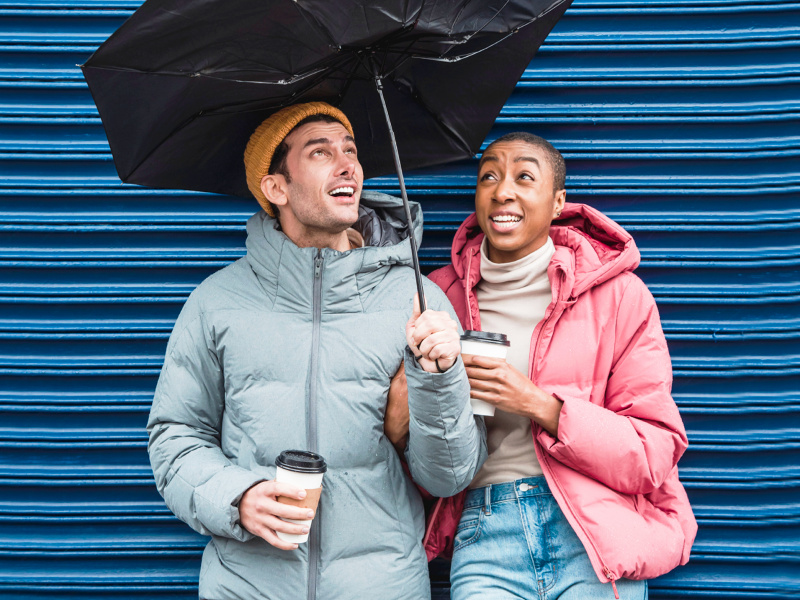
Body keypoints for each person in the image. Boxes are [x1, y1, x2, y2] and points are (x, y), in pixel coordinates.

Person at [147, 101, 487, 600]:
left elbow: (449, 477)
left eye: (350, 150)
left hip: (382, 585)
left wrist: (440, 379)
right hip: (247, 585)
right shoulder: (216, 302)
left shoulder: (416, 300)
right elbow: (174, 436)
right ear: (276, 188)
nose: (349, 164)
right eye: (321, 152)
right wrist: (236, 498)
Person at [389, 131, 698, 598]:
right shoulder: (436, 298)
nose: (502, 190)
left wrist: (538, 403)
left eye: (524, 177)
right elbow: (423, 464)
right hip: (483, 531)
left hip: (591, 530)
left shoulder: (618, 297)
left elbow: (654, 453)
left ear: (558, 202)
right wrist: (412, 396)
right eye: (488, 175)